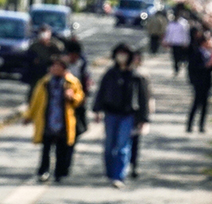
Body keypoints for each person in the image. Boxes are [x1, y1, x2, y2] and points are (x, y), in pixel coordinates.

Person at [92, 43, 148, 189]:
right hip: (111, 113)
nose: (121, 56)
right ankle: (110, 172)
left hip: (128, 115)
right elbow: (101, 92)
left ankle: (119, 176)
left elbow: (143, 98)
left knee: (123, 146)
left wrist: (143, 118)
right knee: (109, 145)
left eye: (124, 53)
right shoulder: (110, 73)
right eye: (119, 53)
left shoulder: (136, 76)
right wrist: (97, 110)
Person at [25, 55, 85, 183]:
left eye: (59, 67)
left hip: (64, 121)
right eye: (53, 66)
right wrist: (29, 115)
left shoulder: (72, 82)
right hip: (48, 119)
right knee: (46, 148)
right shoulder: (45, 82)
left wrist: (72, 96)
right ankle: (44, 171)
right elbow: (36, 100)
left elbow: (80, 98)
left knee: (61, 149)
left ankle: (59, 173)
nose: (55, 69)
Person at [186, 28, 212, 133]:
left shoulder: (208, 54)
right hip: (199, 82)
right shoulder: (197, 53)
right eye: (209, 41)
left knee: (205, 104)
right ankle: (189, 125)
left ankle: (201, 125)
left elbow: (210, 68)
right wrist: (205, 66)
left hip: (207, 82)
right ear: (204, 42)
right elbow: (193, 67)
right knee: (196, 103)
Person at [128, 51, 152, 179]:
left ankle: (133, 165)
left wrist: (146, 114)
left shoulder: (143, 73)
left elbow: (147, 94)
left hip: (138, 112)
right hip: (124, 111)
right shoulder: (124, 72)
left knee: (135, 140)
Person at [23, 26, 62, 92]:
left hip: (50, 74)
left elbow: (61, 57)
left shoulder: (55, 45)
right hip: (36, 74)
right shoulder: (34, 46)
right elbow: (28, 59)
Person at [162, 7, 191, 75]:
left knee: (180, 55)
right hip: (173, 42)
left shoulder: (183, 23)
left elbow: (185, 33)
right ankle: (176, 68)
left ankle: (179, 64)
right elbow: (169, 33)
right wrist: (166, 41)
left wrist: (186, 41)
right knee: (174, 56)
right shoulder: (171, 24)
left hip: (180, 42)